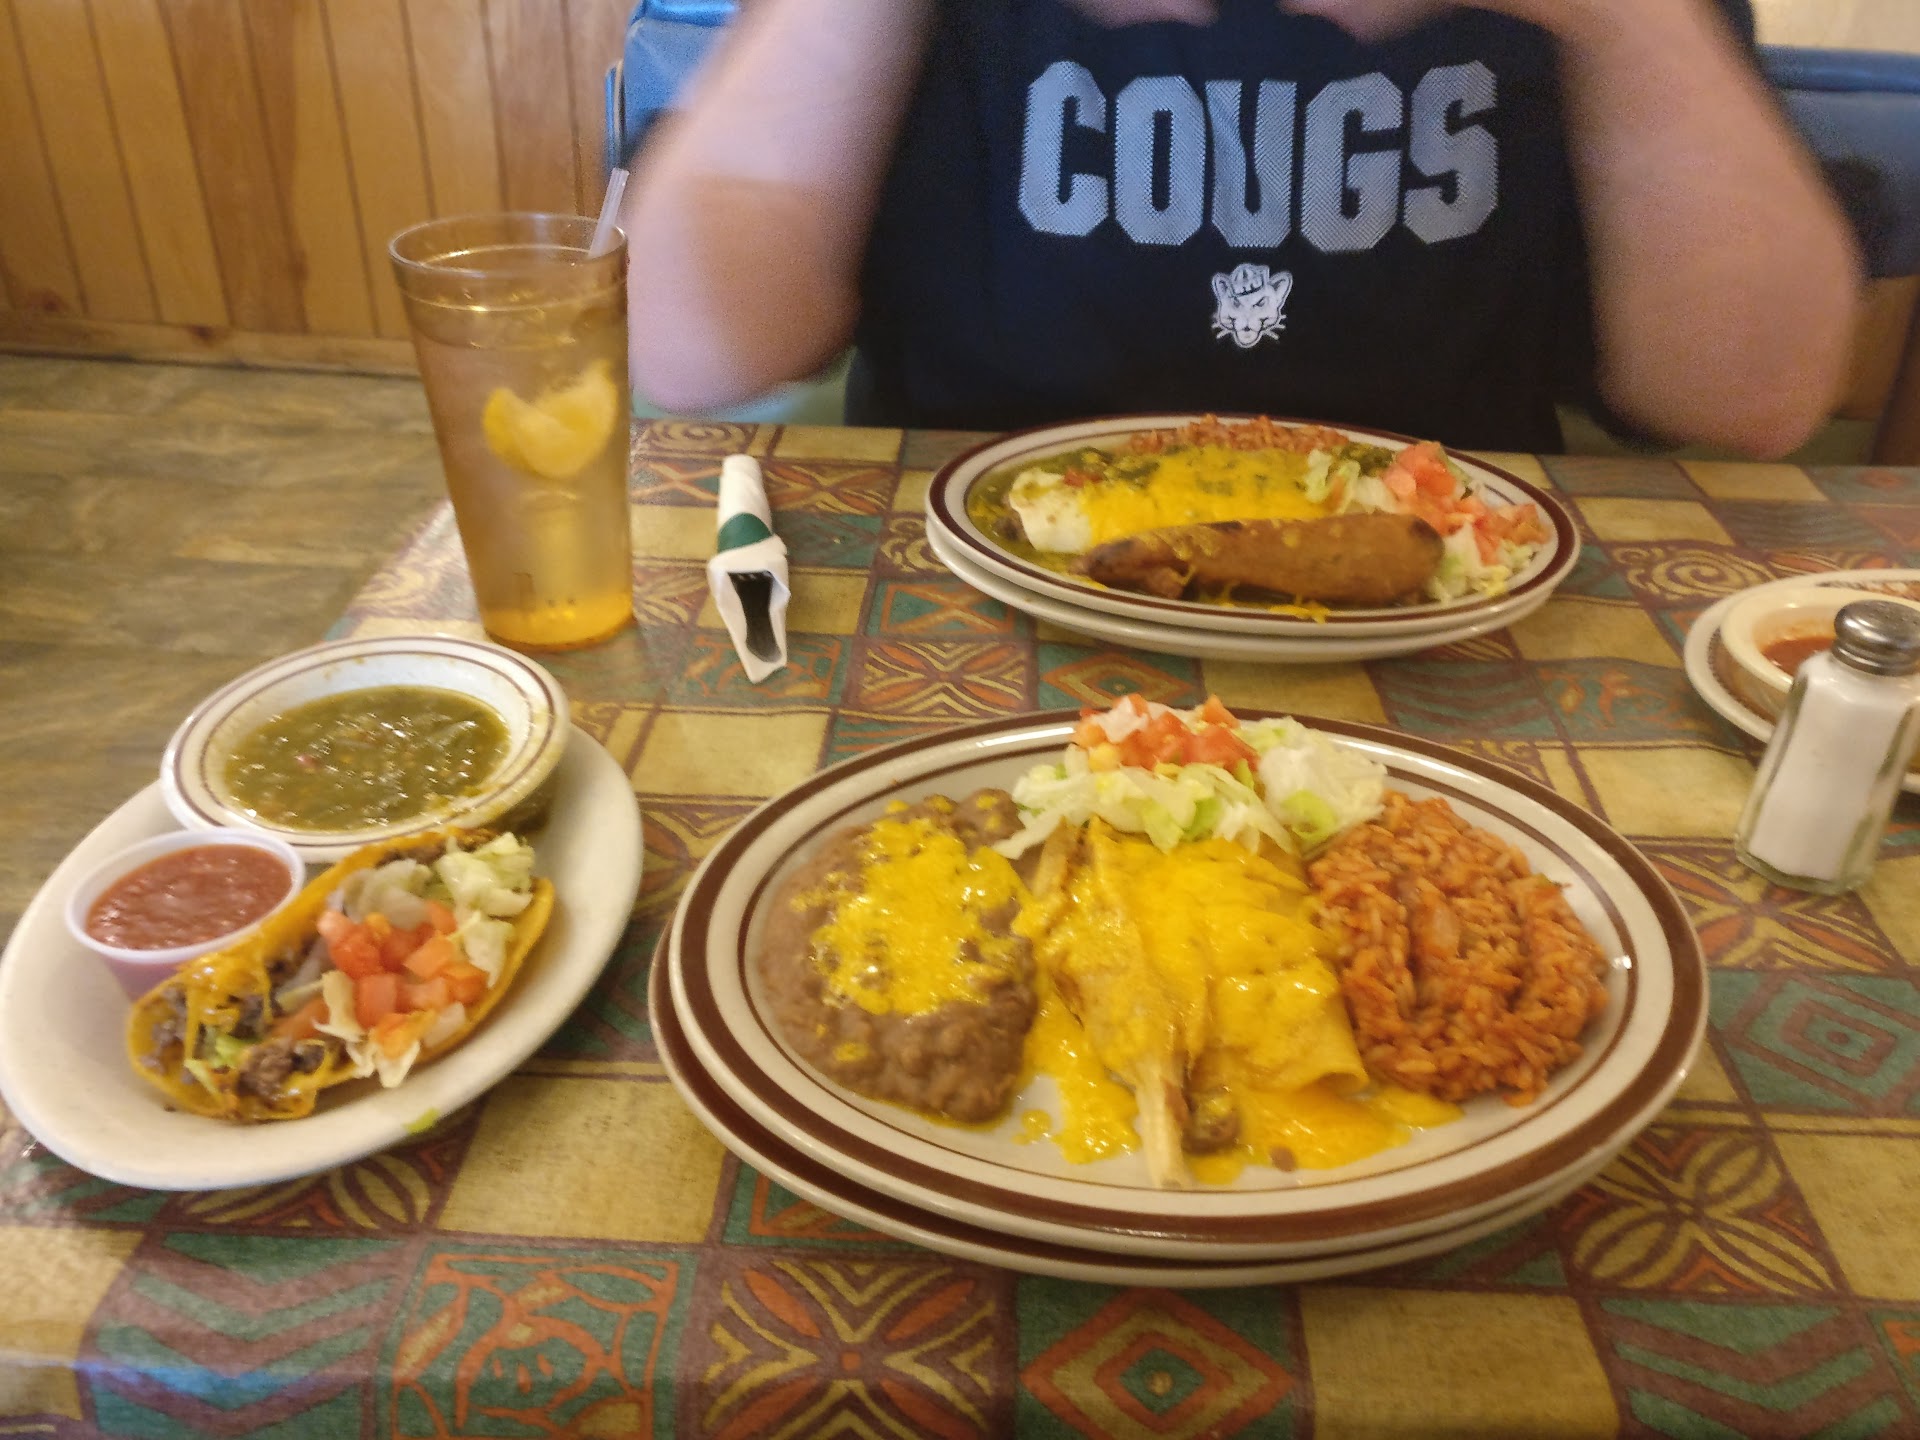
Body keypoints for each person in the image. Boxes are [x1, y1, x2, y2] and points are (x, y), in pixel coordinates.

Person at [622, 0, 1862, 456]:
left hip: (1449, 592)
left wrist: (1628, 17)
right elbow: (691, 351)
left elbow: (1749, 399)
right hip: (975, 590)